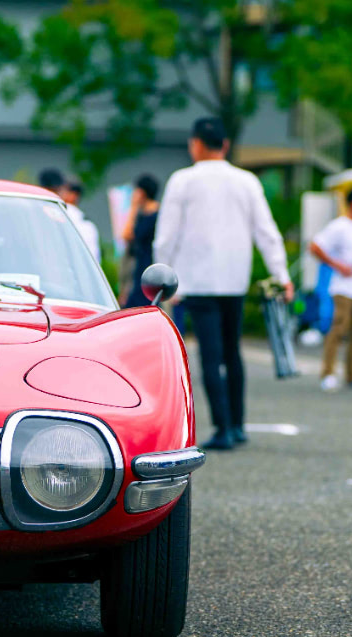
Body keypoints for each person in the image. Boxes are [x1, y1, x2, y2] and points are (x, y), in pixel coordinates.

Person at [154, 117, 292, 450]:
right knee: (233, 352)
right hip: (235, 279)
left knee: (211, 356)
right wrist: (281, 275)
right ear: (226, 145)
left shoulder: (182, 181)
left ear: (195, 144)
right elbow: (267, 232)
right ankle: (238, 423)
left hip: (198, 281)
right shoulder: (246, 181)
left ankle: (222, 428)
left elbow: (166, 236)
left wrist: (159, 279)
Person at [310, 187, 352, 392]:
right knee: (339, 328)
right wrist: (337, 265)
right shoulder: (339, 226)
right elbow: (315, 247)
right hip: (343, 287)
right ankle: (328, 373)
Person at [120, 174, 161, 308]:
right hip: (139, 267)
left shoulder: (158, 215)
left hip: (151, 265)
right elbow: (126, 236)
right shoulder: (142, 214)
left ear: (142, 192)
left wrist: (133, 206)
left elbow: (127, 235)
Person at [61, 180, 101, 264]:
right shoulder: (87, 223)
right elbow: (94, 258)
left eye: (64, 191)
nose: (60, 194)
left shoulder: (63, 213)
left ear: (74, 195)